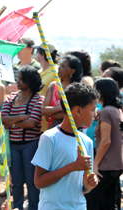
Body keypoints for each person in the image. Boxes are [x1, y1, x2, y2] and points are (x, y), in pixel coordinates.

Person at [32, 82, 99, 210]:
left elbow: (83, 188)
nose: (95, 113)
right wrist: (73, 166)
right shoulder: (50, 138)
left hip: (78, 207)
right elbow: (39, 182)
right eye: (92, 109)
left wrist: (89, 184)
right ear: (78, 111)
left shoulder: (87, 141)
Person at [1, 65, 45, 210]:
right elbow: (2, 120)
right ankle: (17, 207)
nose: (17, 81)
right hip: (13, 145)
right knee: (17, 182)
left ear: (30, 81)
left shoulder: (39, 99)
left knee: (32, 182)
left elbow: (32, 123)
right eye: (18, 78)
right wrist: (22, 117)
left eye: (21, 79)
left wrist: (12, 121)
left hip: (31, 145)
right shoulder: (12, 97)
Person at [85, 78, 123, 210]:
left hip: (107, 165)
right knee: (109, 201)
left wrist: (95, 164)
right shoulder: (116, 110)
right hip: (116, 164)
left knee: (90, 197)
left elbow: (106, 141)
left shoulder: (107, 111)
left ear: (101, 92)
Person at [42, 55, 83, 129]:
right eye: (60, 65)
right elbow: (43, 110)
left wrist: (51, 113)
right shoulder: (53, 86)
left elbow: (73, 114)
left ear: (72, 71)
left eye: (63, 66)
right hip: (52, 130)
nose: (59, 68)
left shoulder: (77, 90)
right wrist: (60, 108)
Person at [34, 41, 59, 133]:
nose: (35, 54)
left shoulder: (55, 72)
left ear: (42, 55)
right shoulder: (39, 71)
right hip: (37, 122)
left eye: (37, 51)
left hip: (48, 123)